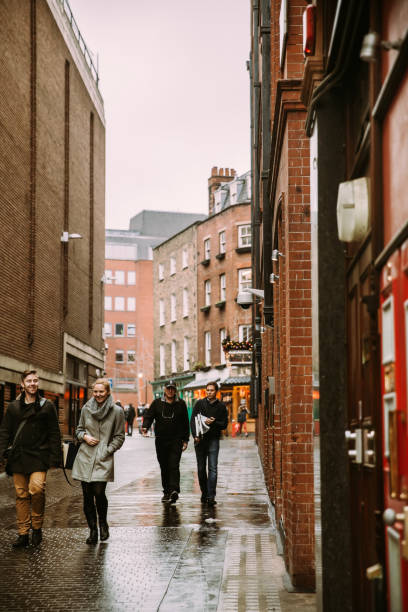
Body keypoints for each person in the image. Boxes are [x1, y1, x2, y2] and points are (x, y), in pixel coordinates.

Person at [0, 370, 62, 548]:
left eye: (35, 380)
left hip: (38, 456)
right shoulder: (13, 407)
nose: (33, 384)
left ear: (38, 383)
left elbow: (54, 433)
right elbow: (5, 431)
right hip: (18, 457)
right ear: (22, 384)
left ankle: (37, 527)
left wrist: (55, 458)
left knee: (36, 489)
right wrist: (2, 452)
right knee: (21, 495)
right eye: (29, 381)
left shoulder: (47, 406)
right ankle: (23, 533)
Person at [72, 378, 125, 544]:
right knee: (87, 496)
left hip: (103, 458)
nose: (98, 394)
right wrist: (85, 437)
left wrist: (107, 450)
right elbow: (78, 430)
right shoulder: (86, 409)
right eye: (95, 391)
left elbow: (119, 436)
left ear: (107, 392)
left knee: (99, 493)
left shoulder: (117, 411)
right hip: (85, 457)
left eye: (101, 391)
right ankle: (93, 530)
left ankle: (103, 523)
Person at [141, 381, 189, 504]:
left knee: (174, 464)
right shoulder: (157, 403)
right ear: (164, 389)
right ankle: (166, 491)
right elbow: (149, 416)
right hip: (161, 440)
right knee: (164, 466)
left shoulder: (181, 404)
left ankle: (174, 490)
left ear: (176, 389)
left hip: (176, 440)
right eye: (168, 388)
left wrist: (186, 439)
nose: (170, 391)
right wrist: (145, 426)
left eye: (173, 388)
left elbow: (185, 422)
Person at [190, 381, 228, 506]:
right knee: (201, 469)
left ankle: (211, 496)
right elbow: (193, 421)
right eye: (207, 390)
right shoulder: (199, 404)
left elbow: (224, 424)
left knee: (213, 468)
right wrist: (195, 435)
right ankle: (204, 493)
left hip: (213, 440)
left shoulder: (221, 407)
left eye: (211, 390)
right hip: (200, 440)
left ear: (216, 391)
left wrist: (214, 422)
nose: (209, 392)